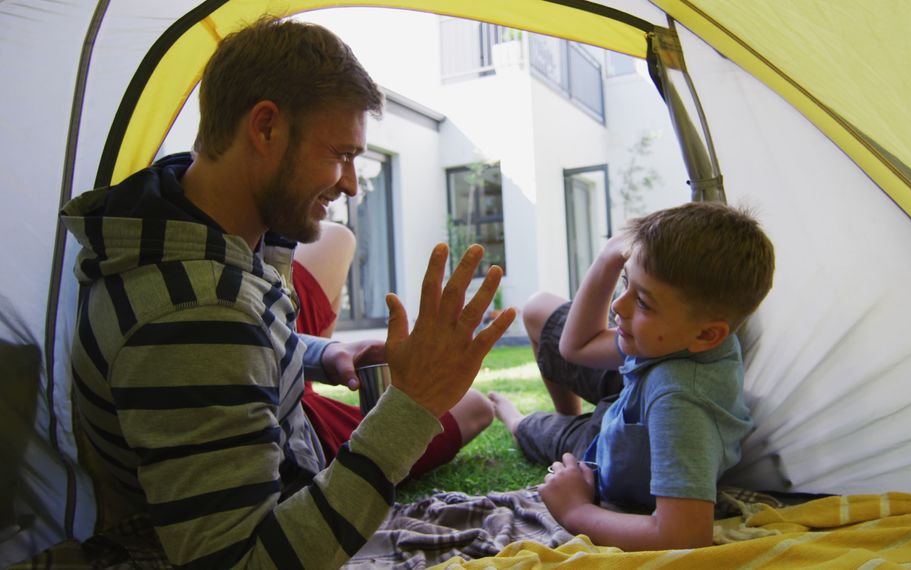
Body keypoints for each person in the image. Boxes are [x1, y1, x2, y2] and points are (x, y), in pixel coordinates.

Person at [60, 16, 514, 569]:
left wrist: (327, 354)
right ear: (266, 127)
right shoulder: (197, 312)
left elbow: (245, 345)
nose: (350, 182)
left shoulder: (187, 226)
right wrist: (411, 407)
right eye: (341, 153)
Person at [489, 201, 774, 551]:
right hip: (627, 404)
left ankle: (511, 416)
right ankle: (564, 415)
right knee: (537, 308)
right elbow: (578, 347)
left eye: (642, 301)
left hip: (599, 454)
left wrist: (576, 509)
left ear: (706, 335)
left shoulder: (681, 404)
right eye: (626, 283)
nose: (617, 306)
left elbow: (684, 536)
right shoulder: (673, 339)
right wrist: (609, 259)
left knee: (535, 431)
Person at [294, 221, 494, 477]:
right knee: (477, 406)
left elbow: (264, 335)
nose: (350, 188)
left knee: (337, 238)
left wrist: (325, 352)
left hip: (279, 346)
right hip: (297, 421)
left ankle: (303, 380)